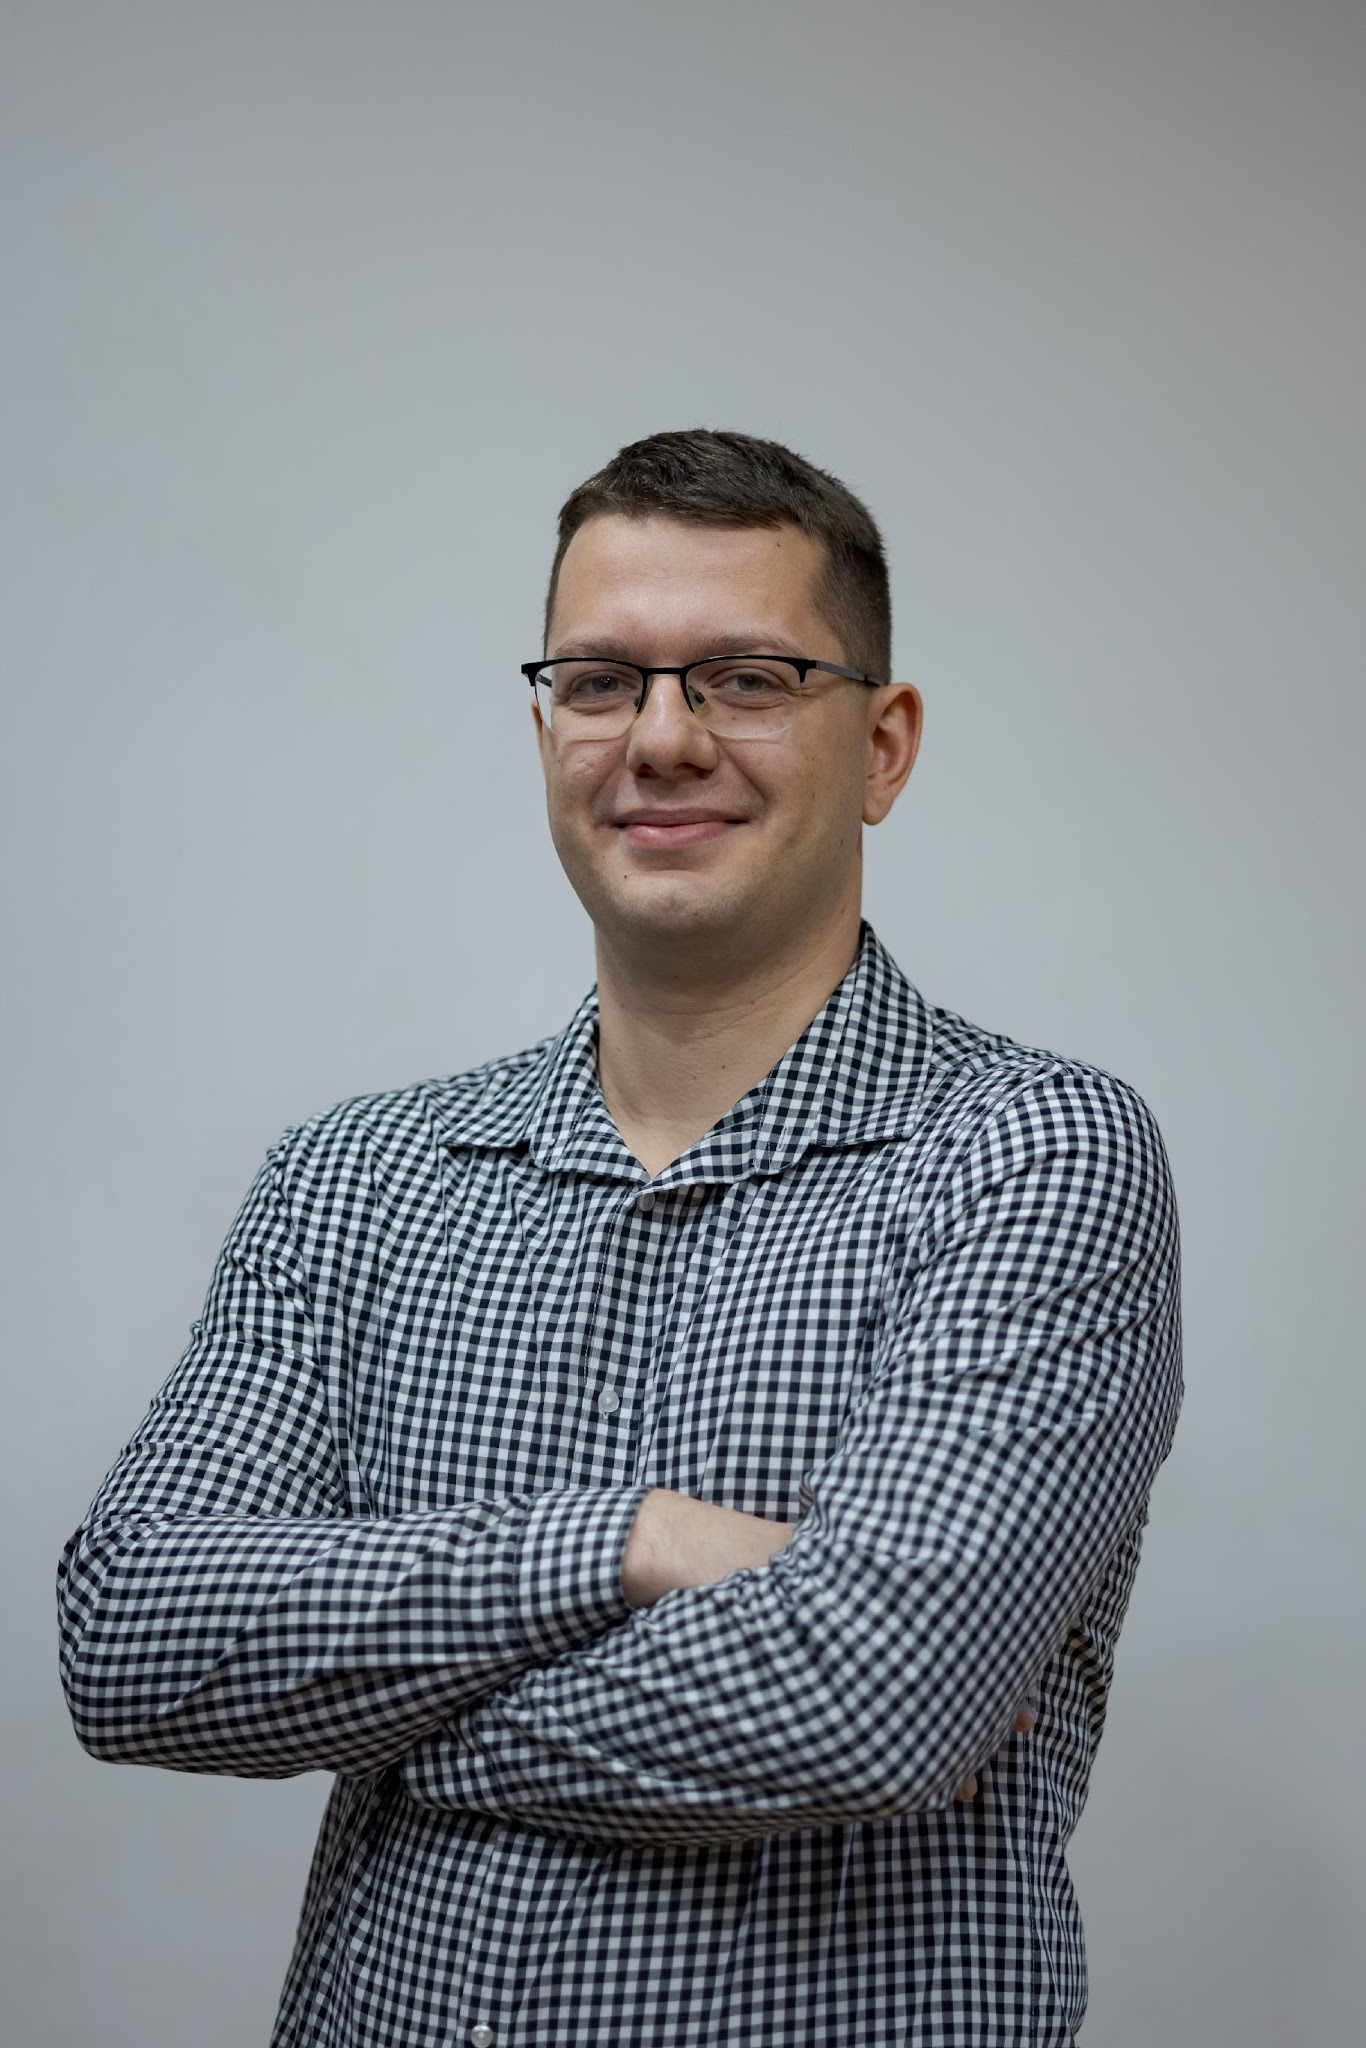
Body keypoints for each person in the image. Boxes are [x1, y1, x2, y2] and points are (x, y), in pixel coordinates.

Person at [57, 428, 1182, 2047]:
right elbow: (127, 1637)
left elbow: (873, 1700)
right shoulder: (352, 1179)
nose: (660, 740)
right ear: (547, 733)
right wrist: (633, 1541)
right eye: (599, 682)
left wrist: (385, 1721)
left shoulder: (1029, 1156)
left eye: (744, 678)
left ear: (882, 747)